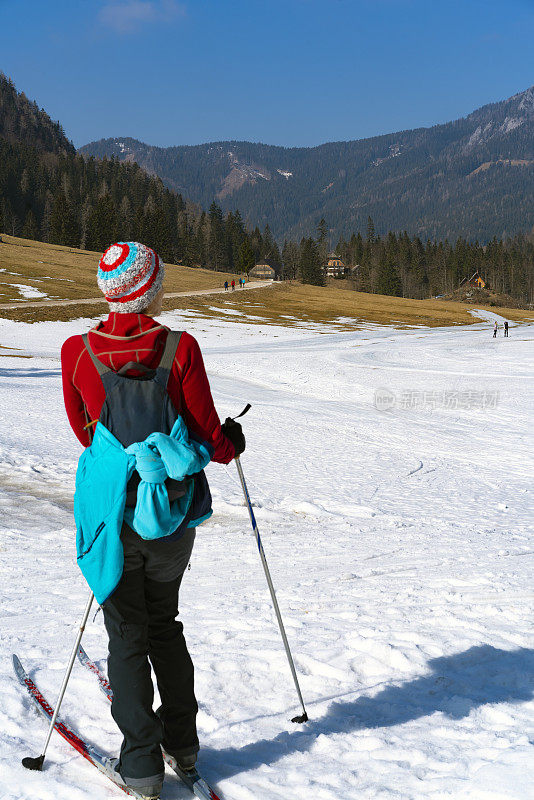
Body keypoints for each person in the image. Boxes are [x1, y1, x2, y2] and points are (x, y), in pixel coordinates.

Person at [61, 242, 245, 799]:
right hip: (170, 515)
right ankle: (183, 746)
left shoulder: (77, 352)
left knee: (126, 635)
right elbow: (213, 440)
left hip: (113, 517)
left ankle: (140, 767)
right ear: (151, 289)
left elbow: (86, 434)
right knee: (165, 625)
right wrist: (230, 440)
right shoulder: (181, 348)